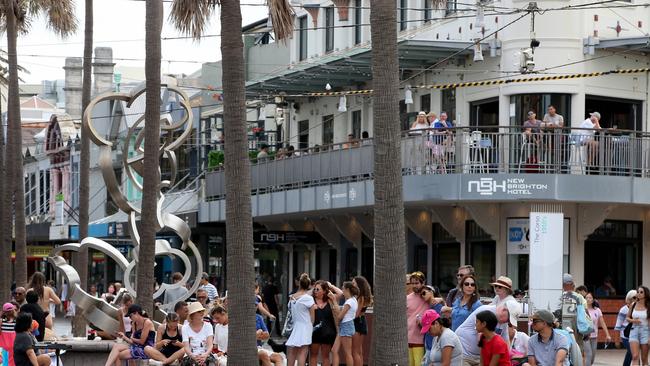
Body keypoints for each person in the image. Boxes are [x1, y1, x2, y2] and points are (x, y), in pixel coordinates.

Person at [285, 273, 315, 366]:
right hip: (306, 326)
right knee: (302, 353)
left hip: (295, 326)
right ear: (308, 286)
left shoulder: (291, 297)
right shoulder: (308, 298)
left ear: (299, 284)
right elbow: (312, 317)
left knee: (291, 352)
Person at [310, 281, 338, 366]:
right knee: (313, 355)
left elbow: (340, 293)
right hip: (315, 331)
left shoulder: (330, 300)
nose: (315, 291)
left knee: (325, 356)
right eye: (314, 289)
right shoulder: (310, 300)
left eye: (318, 289)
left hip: (328, 332)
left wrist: (331, 286)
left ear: (324, 291)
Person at [406, 271, 429, 366]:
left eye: (417, 283)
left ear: (423, 283)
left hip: (420, 340)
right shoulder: (407, 298)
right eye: (412, 283)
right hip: (407, 338)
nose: (414, 285)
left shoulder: (427, 296)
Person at [584, 292, 611, 365]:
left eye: (590, 298)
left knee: (592, 356)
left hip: (594, 336)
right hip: (585, 336)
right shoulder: (582, 310)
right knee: (588, 355)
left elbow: (603, 323)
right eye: (586, 298)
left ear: (593, 300)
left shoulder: (597, 310)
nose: (588, 299)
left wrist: (607, 334)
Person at [352, 276, 372, 366]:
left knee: (355, 351)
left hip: (358, 322)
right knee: (359, 351)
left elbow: (356, 314)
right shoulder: (361, 297)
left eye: (353, 283)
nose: (352, 285)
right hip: (361, 321)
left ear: (358, 285)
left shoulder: (360, 297)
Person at [627, 286, 650, 366]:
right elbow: (627, 318)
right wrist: (634, 321)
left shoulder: (649, 306)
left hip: (646, 332)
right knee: (635, 356)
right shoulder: (633, 304)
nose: (639, 294)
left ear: (645, 294)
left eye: (641, 292)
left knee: (644, 359)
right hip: (634, 330)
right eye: (638, 292)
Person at [338, 282, 358, 366]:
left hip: (346, 325)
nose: (342, 291)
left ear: (347, 290)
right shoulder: (354, 300)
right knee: (349, 352)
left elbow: (340, 316)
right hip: (350, 324)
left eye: (343, 288)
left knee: (348, 353)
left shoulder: (349, 302)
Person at [616, 289, 637, 366]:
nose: (635, 299)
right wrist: (617, 340)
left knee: (631, 353)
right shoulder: (623, 310)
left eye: (636, 297)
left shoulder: (638, 308)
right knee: (633, 352)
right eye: (633, 297)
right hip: (625, 336)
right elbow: (618, 325)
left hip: (635, 335)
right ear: (629, 298)